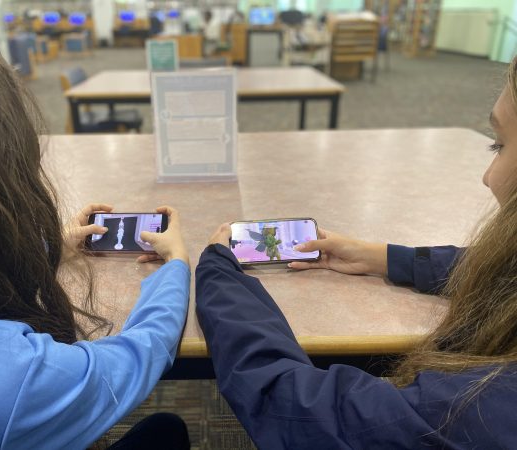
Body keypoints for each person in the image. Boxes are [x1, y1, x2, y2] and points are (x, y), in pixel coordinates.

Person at [195, 59, 517, 448]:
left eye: (499, 145)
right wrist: (383, 257)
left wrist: (217, 269)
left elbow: (292, 403)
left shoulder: (480, 410)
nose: (488, 176)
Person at [0, 20, 190, 450]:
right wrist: (175, 267)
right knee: (167, 432)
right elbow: (135, 357)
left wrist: (47, 249)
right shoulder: (3, 378)